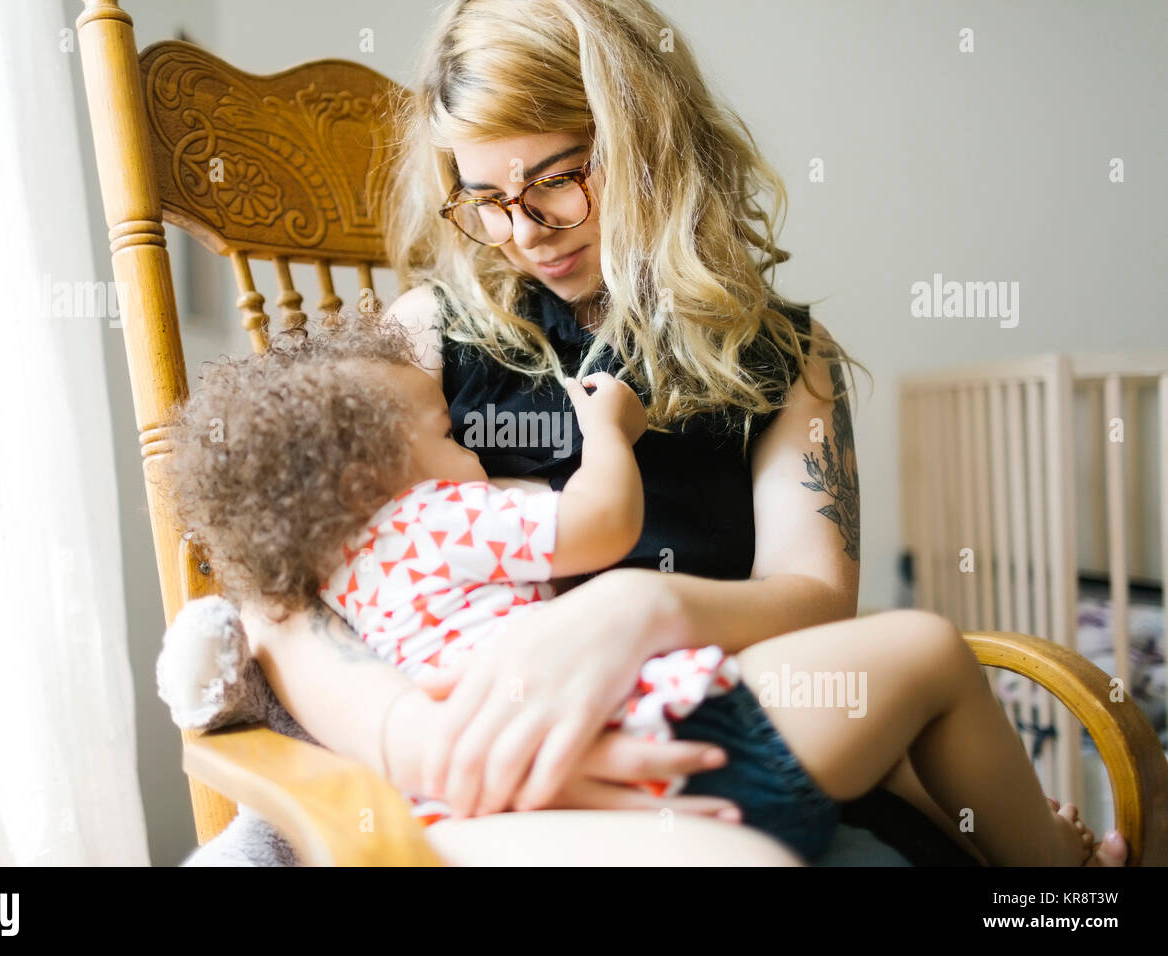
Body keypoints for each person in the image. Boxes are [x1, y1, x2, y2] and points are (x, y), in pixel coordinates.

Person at [244, 0, 1127, 866]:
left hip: (702, 697)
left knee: (920, 666)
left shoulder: (782, 352)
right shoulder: (425, 334)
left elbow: (815, 597)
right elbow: (275, 580)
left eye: (558, 179)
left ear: (646, 142)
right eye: (484, 199)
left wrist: (644, 607)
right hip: (485, 736)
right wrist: (414, 737)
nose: (523, 231)